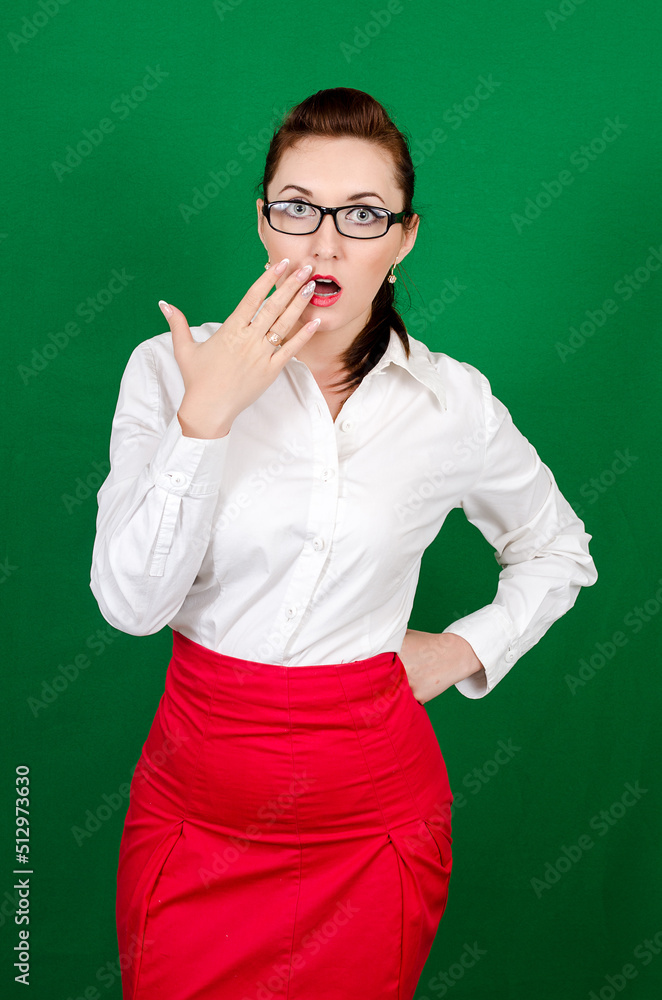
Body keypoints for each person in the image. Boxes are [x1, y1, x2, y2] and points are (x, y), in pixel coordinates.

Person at [90, 87, 597, 1000]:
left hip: (374, 834)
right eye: (299, 208)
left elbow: (558, 547)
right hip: (195, 824)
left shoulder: (452, 403)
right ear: (263, 221)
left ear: (404, 239)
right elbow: (132, 608)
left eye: (362, 215)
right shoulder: (168, 368)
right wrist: (206, 419)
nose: (325, 243)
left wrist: (465, 648)